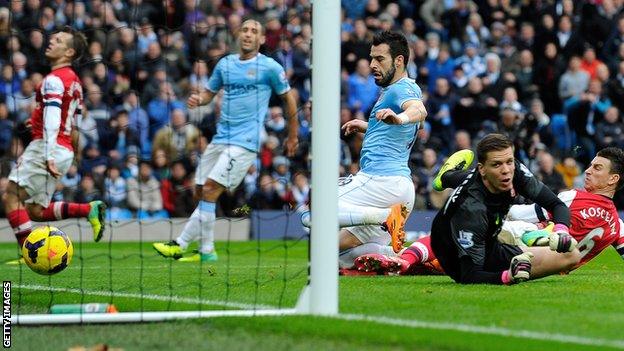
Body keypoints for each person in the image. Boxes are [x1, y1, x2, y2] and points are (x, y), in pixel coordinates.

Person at [152, 19, 299, 262]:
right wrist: (198, 100)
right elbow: (209, 95)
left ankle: (180, 243)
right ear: (238, 35)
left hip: (245, 142)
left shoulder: (270, 67)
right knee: (200, 190)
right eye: (245, 30)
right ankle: (207, 251)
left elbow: (289, 99)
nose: (248, 34)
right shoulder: (226, 64)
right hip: (221, 138)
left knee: (210, 189)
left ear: (262, 39)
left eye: (254, 31)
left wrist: (292, 136)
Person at [357, 147, 624, 277]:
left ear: (613, 179)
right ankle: (405, 262)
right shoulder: (617, 224)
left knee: (463, 229)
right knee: (449, 263)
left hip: (523, 245)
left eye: (597, 168)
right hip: (545, 268)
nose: (588, 171)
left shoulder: (572, 197)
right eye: (589, 165)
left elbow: (524, 214)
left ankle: (405, 255)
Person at [301, 31, 428, 270]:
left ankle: (385, 218)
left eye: (380, 59)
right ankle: (395, 255)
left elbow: (419, 110)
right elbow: (395, 126)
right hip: (400, 189)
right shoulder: (398, 89)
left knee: (314, 208)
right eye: (371, 58)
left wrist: (400, 118)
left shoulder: (401, 89)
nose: (372, 65)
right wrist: (370, 127)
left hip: (380, 182)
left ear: (399, 61)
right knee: (326, 256)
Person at [2, 27, 106, 264]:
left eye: (58, 41)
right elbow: (72, 121)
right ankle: (89, 209)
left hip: (47, 147)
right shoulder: (75, 83)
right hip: (63, 147)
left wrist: (48, 153)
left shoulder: (53, 80)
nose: (51, 42)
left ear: (69, 52)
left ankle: (30, 253)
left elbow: (53, 119)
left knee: (11, 197)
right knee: (35, 211)